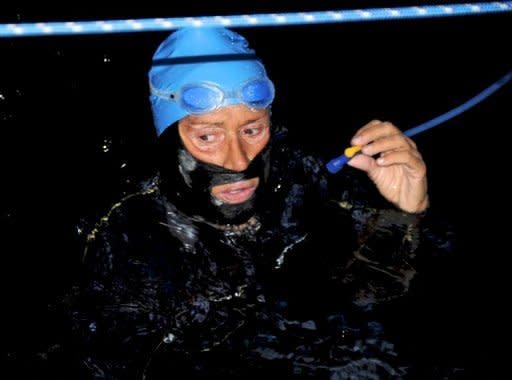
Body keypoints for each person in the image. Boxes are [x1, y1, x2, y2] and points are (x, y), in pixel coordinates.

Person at [37, 27, 431, 379]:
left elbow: (374, 298)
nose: (238, 160)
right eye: (207, 137)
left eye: (252, 129)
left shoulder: (301, 179)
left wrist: (405, 212)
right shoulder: (130, 236)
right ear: (168, 137)